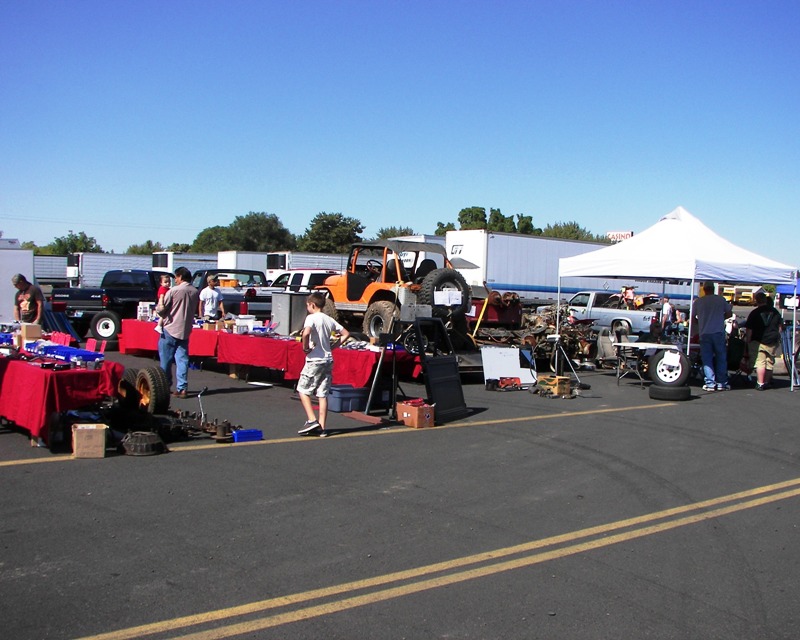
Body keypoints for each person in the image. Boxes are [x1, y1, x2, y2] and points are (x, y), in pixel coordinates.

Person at [297, 292, 350, 437]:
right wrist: (333, 346)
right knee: (322, 394)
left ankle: (312, 419)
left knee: (302, 389)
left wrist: (305, 347)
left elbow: (306, 333)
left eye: (307, 305)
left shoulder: (311, 318)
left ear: (312, 305)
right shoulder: (329, 319)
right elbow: (346, 333)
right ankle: (322, 427)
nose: (307, 307)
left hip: (315, 359)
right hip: (328, 359)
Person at [156, 266, 199, 399]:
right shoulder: (195, 291)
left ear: (180, 276)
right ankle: (182, 388)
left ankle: (165, 385)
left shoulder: (174, 291)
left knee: (166, 360)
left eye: (176, 277)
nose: (175, 280)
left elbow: (162, 310)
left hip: (170, 328)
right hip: (185, 329)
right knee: (182, 360)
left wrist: (159, 308)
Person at [692, 282, 733, 391]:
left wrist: (700, 322)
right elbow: (729, 314)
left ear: (704, 289)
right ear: (713, 289)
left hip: (704, 332)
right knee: (721, 357)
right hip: (718, 331)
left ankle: (710, 382)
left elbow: (692, 318)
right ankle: (721, 383)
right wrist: (720, 318)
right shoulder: (720, 299)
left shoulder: (698, 301)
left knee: (707, 359)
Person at [744, 292, 783, 390]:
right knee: (769, 362)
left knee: (760, 361)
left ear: (757, 301)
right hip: (772, 340)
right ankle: (767, 381)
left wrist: (748, 340)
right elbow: (780, 326)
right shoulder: (775, 311)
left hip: (759, 340)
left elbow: (749, 329)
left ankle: (760, 383)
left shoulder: (754, 313)